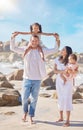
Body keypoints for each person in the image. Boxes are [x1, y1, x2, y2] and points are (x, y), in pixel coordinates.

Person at [10, 32, 60, 124]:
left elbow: (55, 49)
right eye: (33, 40)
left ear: (38, 42)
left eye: (36, 41)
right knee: (24, 98)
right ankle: (25, 112)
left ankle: (31, 116)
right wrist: (13, 38)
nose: (34, 42)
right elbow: (13, 48)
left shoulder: (42, 51)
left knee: (34, 99)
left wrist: (56, 39)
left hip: (37, 80)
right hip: (26, 78)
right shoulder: (25, 49)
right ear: (30, 41)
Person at [54, 46, 78, 127]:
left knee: (67, 99)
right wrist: (62, 72)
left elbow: (74, 71)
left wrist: (69, 72)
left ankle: (67, 120)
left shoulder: (70, 61)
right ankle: (61, 117)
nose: (61, 50)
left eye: (63, 50)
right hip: (59, 81)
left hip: (68, 82)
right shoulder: (57, 59)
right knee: (60, 97)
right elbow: (55, 70)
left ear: (67, 52)